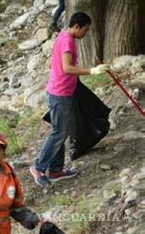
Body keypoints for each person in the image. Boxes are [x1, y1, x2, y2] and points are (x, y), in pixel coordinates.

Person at [30, 12, 110, 186]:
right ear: (76, 27)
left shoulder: (64, 36)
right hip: (60, 93)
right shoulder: (67, 41)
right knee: (59, 132)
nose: (86, 33)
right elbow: (67, 68)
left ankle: (56, 169)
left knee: (62, 131)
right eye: (85, 30)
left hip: (63, 91)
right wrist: (92, 71)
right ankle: (38, 166)